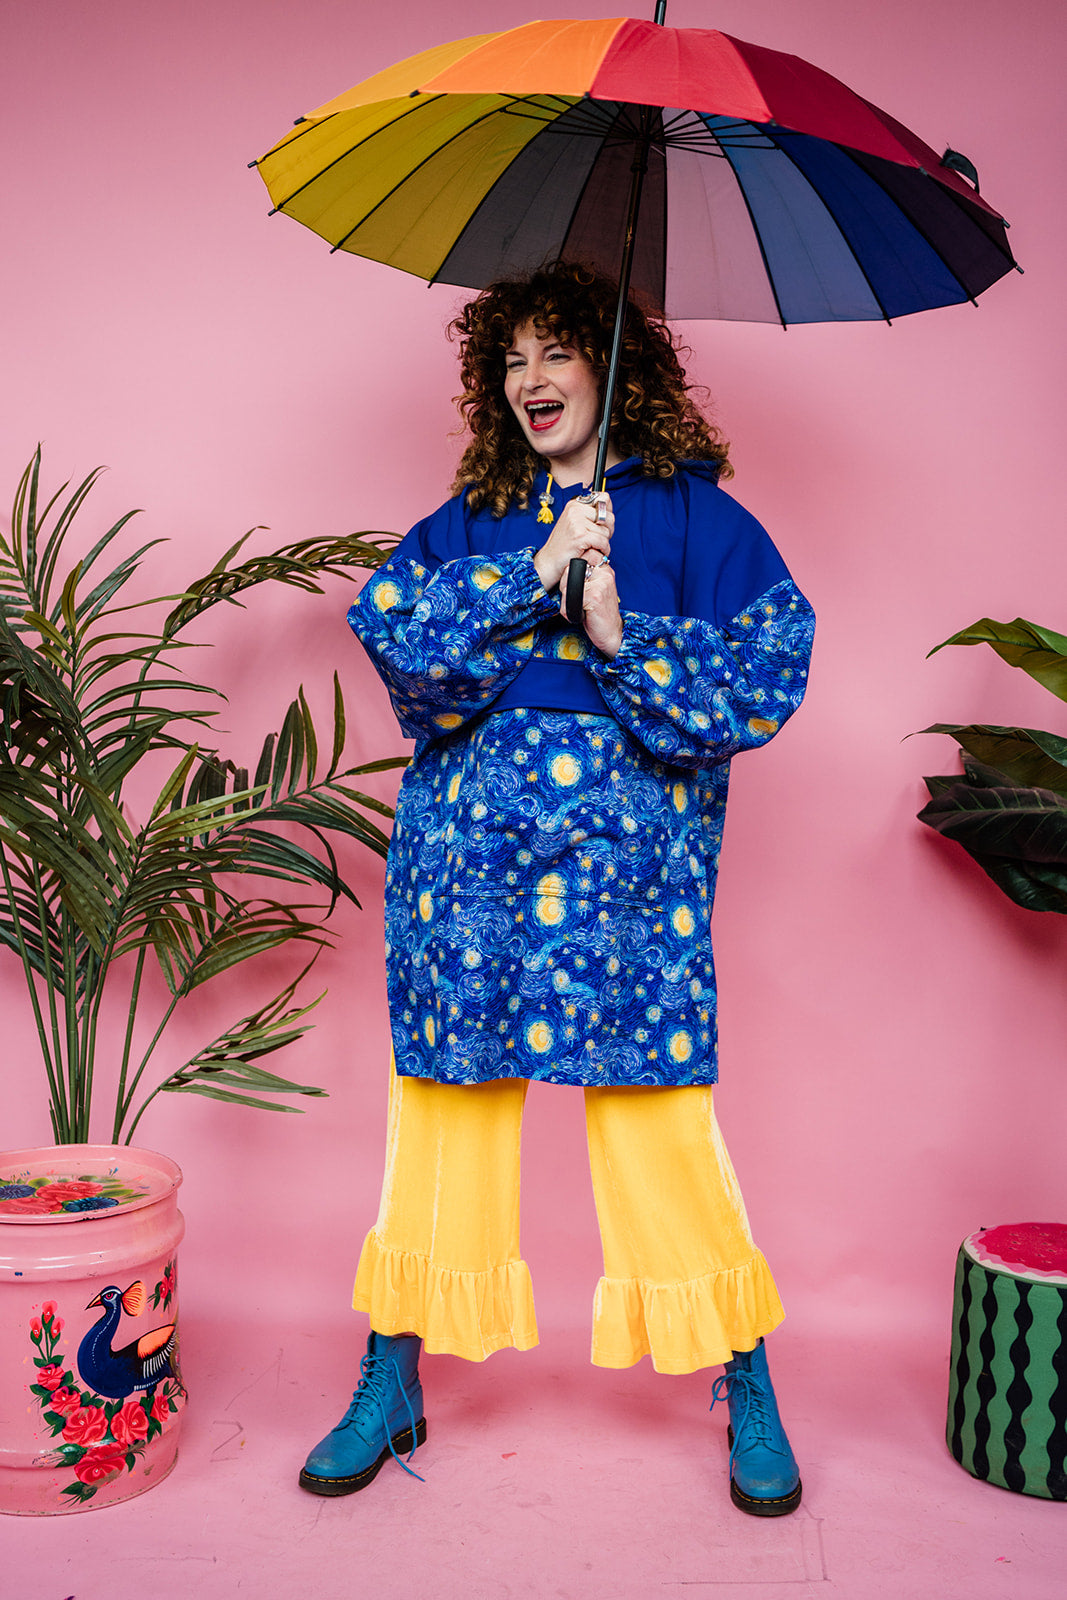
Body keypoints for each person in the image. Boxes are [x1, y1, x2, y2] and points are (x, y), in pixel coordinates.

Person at [300, 261, 815, 1516]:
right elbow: (397, 643)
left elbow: (766, 676)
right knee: (442, 1113)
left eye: (556, 351)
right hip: (467, 878)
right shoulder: (476, 515)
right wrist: (533, 568)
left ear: (611, 366)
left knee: (659, 1124)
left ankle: (741, 1371)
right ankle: (392, 1370)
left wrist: (619, 634)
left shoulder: (699, 523)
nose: (529, 379)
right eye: (510, 357)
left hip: (628, 890)